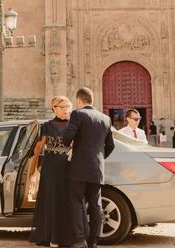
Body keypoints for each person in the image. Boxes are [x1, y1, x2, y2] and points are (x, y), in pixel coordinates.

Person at [63, 87, 115, 248]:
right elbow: (110, 145)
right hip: (97, 168)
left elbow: (67, 138)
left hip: (79, 168)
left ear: (79, 100)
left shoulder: (78, 114)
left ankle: (79, 240)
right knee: (95, 204)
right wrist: (98, 159)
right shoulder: (105, 118)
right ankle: (94, 240)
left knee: (77, 202)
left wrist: (70, 143)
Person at [29, 96, 75, 248]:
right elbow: (39, 146)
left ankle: (65, 237)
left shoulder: (75, 125)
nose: (65, 109)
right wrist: (33, 166)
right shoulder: (47, 125)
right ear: (54, 108)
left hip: (68, 166)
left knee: (66, 201)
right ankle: (50, 236)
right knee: (51, 200)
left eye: (67, 106)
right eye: (61, 107)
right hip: (51, 167)